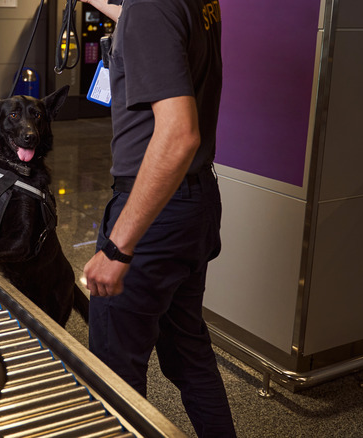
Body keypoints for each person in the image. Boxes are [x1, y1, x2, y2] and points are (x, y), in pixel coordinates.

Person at [79, 0, 236, 436]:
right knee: (189, 355)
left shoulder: (149, 7)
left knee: (114, 378)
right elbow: (148, 21)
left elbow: (179, 134)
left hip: (154, 214)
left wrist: (117, 247)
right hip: (194, 202)